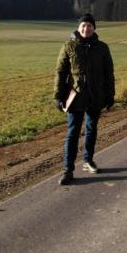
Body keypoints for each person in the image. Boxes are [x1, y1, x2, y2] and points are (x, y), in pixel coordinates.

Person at [54, 13, 115, 185]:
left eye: (89, 26)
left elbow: (108, 73)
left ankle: (88, 160)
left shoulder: (102, 47)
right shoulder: (69, 46)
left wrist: (110, 95)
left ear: (94, 28)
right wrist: (58, 96)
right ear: (78, 28)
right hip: (75, 97)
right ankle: (68, 169)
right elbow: (60, 73)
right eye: (83, 26)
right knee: (73, 133)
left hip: (96, 96)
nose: (86, 29)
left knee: (91, 129)